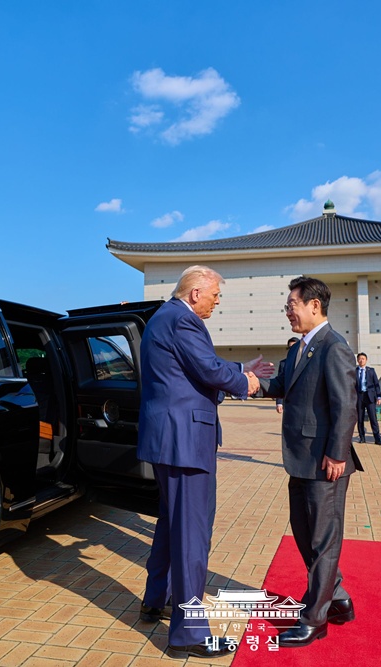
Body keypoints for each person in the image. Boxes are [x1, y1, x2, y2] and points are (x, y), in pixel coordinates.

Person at [137, 265, 272, 658]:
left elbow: (193, 371)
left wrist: (238, 371)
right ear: (196, 292)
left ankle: (154, 599)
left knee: (170, 523)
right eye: (215, 295)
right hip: (185, 441)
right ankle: (188, 634)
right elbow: (208, 369)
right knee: (192, 534)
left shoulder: (163, 318)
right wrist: (245, 381)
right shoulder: (183, 320)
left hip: (169, 440)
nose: (217, 301)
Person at [258, 276, 361, 648]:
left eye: (292, 304)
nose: (288, 311)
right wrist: (248, 380)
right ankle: (337, 599)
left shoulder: (334, 346)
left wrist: (337, 452)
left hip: (325, 461)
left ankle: (314, 618)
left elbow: (346, 406)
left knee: (323, 538)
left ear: (314, 305)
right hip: (300, 458)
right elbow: (280, 385)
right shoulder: (299, 348)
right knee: (304, 531)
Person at [355, 352, 381, 445]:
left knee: (373, 418)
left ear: (366, 360)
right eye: (359, 358)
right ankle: (362, 437)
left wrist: (379, 396)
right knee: (360, 419)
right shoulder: (354, 371)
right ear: (357, 360)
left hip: (370, 397)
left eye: (363, 358)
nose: (361, 360)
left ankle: (377, 438)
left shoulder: (371, 370)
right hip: (359, 397)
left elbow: (376, 385)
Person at [276, 337, 301, 414]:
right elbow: (280, 383)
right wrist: (279, 402)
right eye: (290, 347)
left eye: (294, 347)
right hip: (289, 402)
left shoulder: (308, 361)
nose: (292, 349)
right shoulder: (283, 364)